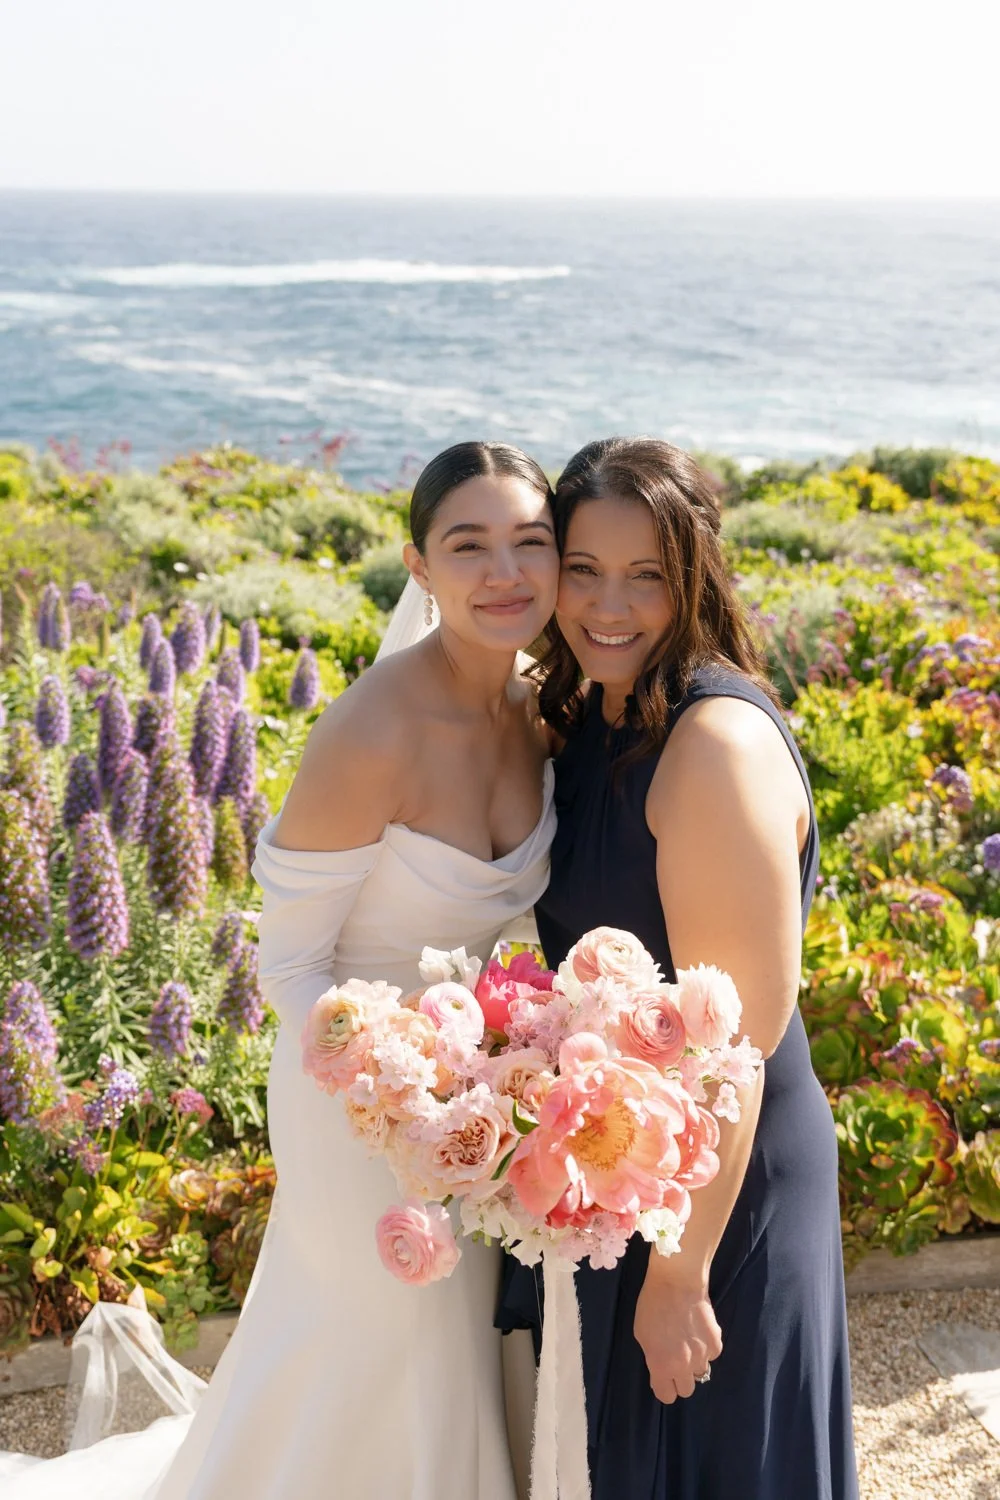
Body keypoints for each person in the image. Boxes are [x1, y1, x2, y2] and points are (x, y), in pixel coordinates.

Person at [0, 440, 559, 1500]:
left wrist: (508, 1070)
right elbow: (288, 964)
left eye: (530, 543)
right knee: (377, 1343)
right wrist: (396, 1095)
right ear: (418, 564)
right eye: (468, 545)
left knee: (452, 1347)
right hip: (352, 1101)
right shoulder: (373, 729)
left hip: (480, 1107)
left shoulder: (541, 707)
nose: (505, 573)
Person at [498, 436, 859, 1500]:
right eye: (583, 570)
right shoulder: (593, 712)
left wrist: (680, 1272)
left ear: (693, 577)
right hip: (626, 1172)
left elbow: (736, 1048)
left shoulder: (711, 748)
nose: (608, 605)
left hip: (721, 1191)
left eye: (645, 576)